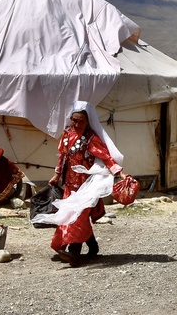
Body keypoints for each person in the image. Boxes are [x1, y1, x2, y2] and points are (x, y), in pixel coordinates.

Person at [45, 100, 125, 267]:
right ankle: (93, 246)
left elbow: (106, 158)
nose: (77, 123)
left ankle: (74, 254)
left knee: (78, 218)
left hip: (87, 185)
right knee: (70, 215)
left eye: (81, 120)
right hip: (70, 184)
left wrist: (119, 173)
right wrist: (56, 174)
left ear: (88, 121)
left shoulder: (91, 139)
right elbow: (63, 157)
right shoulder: (66, 134)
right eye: (74, 120)